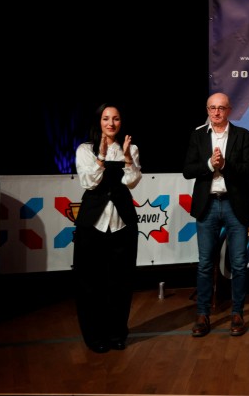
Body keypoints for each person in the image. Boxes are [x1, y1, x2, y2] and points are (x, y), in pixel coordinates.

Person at [183, 92, 249, 337]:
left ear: (229, 110)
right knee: (205, 264)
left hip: (234, 206)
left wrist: (224, 165)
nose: (216, 112)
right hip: (208, 206)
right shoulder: (197, 136)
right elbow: (188, 170)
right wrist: (208, 165)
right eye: (212, 108)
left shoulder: (244, 136)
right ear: (207, 110)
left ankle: (237, 313)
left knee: (237, 263)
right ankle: (203, 315)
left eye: (221, 108)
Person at [73, 102, 142, 353]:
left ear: (121, 122)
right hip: (92, 225)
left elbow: (132, 182)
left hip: (123, 224)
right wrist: (101, 157)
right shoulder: (85, 149)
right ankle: (94, 336)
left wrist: (125, 157)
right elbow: (88, 182)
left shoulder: (130, 148)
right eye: (105, 119)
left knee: (121, 282)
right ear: (98, 122)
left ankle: (117, 334)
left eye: (115, 119)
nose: (111, 123)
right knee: (91, 282)